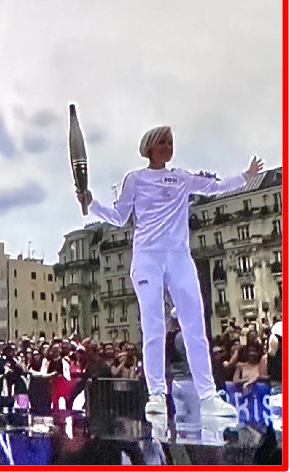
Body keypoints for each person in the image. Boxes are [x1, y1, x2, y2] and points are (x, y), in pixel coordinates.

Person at [76, 125, 263, 421]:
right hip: (147, 257)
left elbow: (214, 187)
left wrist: (246, 176)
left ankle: (208, 396)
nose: (168, 146)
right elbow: (119, 216)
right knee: (153, 328)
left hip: (179, 257)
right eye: (162, 141)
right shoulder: (135, 179)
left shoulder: (182, 178)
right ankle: (156, 395)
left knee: (194, 327)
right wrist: (92, 203)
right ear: (149, 147)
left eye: (171, 142)